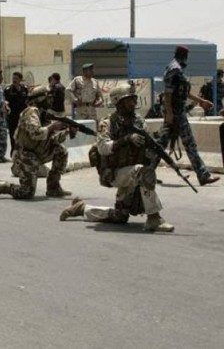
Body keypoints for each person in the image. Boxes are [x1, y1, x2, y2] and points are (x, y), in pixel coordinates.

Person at [60, 82, 175, 232]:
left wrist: (158, 143)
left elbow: (149, 144)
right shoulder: (108, 122)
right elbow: (103, 148)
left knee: (120, 216)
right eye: (129, 100)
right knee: (143, 172)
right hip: (114, 172)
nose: (133, 103)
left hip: (130, 173)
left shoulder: (138, 121)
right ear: (119, 103)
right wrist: (126, 140)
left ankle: (81, 208)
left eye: (134, 99)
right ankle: (154, 219)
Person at [0, 85, 74, 200]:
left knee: (60, 150)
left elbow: (52, 139)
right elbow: (36, 133)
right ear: (40, 99)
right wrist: (52, 127)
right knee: (26, 192)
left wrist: (67, 132)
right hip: (25, 155)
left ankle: (53, 187)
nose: (51, 100)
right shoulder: (31, 112)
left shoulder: (42, 114)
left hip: (36, 152)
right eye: (48, 97)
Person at [155, 45, 219, 186]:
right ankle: (203, 175)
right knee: (187, 143)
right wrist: (170, 113)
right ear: (184, 56)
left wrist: (200, 101)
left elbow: (183, 91)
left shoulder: (177, 69)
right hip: (175, 112)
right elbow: (168, 93)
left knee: (162, 144)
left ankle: (146, 172)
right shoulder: (175, 69)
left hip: (177, 111)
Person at [3, 71, 29, 155]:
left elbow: (28, 101)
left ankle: (23, 152)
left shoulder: (25, 89)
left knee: (24, 135)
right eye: (13, 78)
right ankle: (14, 152)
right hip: (13, 117)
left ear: (20, 79)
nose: (14, 80)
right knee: (13, 135)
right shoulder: (8, 90)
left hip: (23, 117)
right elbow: (5, 101)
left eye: (16, 78)